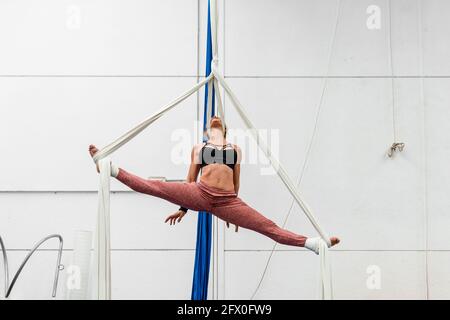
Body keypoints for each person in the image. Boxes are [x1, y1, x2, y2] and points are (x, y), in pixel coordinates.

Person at [89, 116, 340, 254]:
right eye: (212, 122)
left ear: (225, 130)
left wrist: (234, 212)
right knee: (155, 186)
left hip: (227, 201)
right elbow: (189, 181)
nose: (215, 119)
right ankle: (111, 169)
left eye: (219, 120)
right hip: (199, 193)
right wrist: (184, 207)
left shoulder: (235, 150)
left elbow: (236, 183)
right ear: (209, 131)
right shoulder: (200, 148)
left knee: (266, 226)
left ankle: (312, 243)